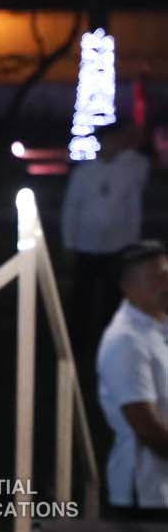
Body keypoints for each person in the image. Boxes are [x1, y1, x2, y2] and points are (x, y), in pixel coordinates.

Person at [63, 124, 152, 358]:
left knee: (113, 297)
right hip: (87, 244)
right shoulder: (84, 172)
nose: (114, 144)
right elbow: (71, 207)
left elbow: (134, 208)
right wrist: (69, 241)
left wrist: (132, 242)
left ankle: (110, 340)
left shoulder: (130, 169)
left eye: (117, 140)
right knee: (83, 295)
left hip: (118, 245)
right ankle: (77, 341)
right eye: (110, 140)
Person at [97, 239, 168, 518]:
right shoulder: (126, 340)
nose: (166, 285)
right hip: (146, 496)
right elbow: (146, 428)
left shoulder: (158, 326)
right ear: (128, 287)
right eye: (156, 278)